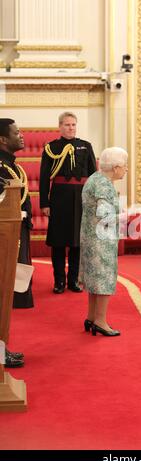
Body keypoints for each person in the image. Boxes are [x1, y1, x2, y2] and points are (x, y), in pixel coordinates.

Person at [39, 112, 97, 294]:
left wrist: (93, 201)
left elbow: (93, 176)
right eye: (67, 125)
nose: (70, 128)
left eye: (73, 125)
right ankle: (59, 281)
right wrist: (44, 203)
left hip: (81, 198)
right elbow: (44, 178)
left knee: (76, 241)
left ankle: (73, 280)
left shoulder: (85, 146)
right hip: (59, 197)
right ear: (60, 126)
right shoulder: (51, 148)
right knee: (58, 241)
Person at [80, 147, 128, 337]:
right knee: (104, 279)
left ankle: (91, 317)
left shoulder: (95, 177)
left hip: (90, 236)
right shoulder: (105, 185)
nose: (125, 170)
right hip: (101, 239)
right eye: (124, 166)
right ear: (116, 168)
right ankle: (100, 321)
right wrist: (127, 216)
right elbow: (105, 216)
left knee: (94, 278)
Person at [0, 118, 33, 368]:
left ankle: (2, 349)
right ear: (2, 139)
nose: (21, 136)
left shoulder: (10, 165)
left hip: (14, 230)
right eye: (16, 133)